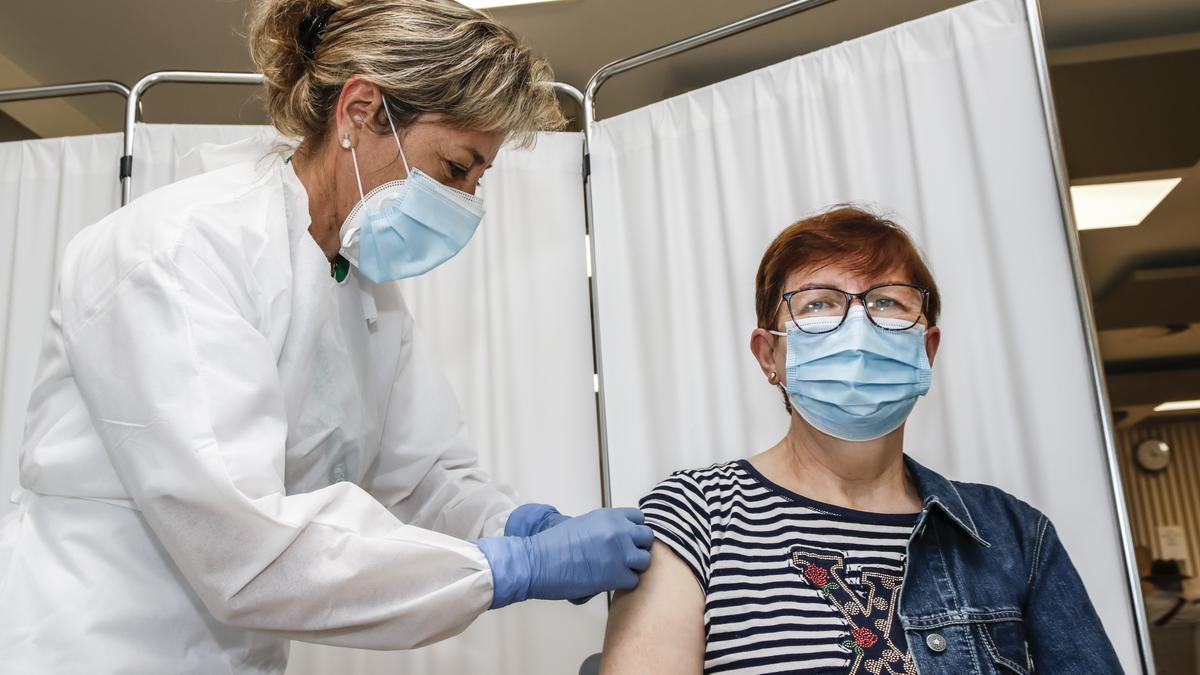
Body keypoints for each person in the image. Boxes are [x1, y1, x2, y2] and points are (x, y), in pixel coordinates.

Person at [0, 1, 651, 673]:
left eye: (478, 181)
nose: (464, 204)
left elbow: (424, 475)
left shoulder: (361, 288)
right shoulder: (176, 252)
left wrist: (519, 528)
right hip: (88, 644)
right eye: (456, 169)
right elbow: (245, 546)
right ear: (359, 111)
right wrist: (511, 566)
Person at [601, 207, 1122, 674]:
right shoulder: (697, 515)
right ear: (769, 356)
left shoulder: (1013, 535)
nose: (856, 327)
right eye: (818, 304)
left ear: (927, 349)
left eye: (887, 302)